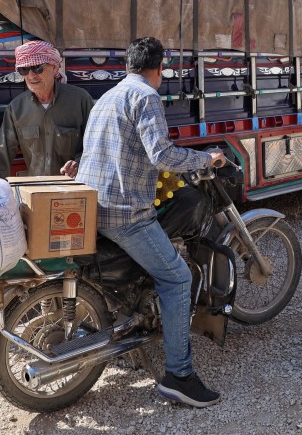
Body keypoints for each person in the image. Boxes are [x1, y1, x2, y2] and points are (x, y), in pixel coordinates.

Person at [76, 37, 226, 408]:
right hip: (124, 213)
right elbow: (161, 155)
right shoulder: (146, 96)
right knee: (177, 277)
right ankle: (179, 374)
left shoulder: (107, 97)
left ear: (129, 64)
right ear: (159, 69)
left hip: (93, 206)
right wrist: (207, 159)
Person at [0, 41, 93, 179]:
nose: (31, 75)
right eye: (24, 70)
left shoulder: (80, 100)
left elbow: (97, 145)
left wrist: (79, 163)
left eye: (37, 68)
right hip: (37, 189)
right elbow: (1, 155)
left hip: (75, 187)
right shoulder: (16, 108)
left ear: (54, 68)